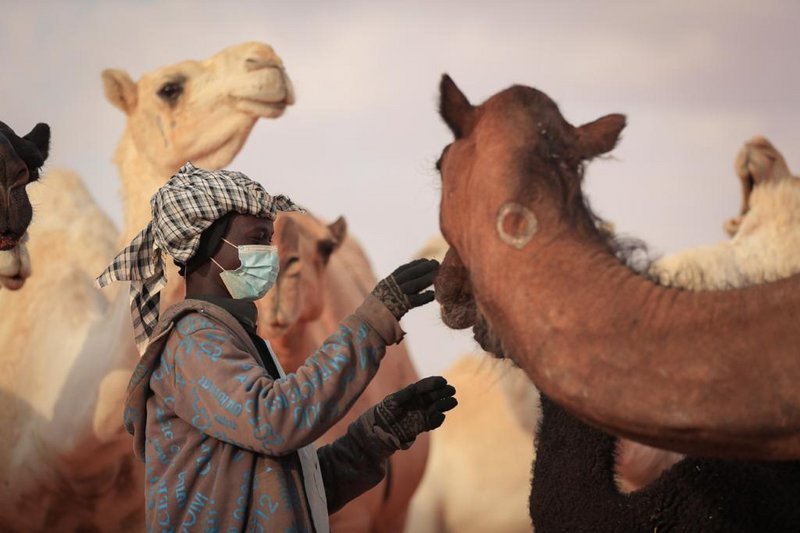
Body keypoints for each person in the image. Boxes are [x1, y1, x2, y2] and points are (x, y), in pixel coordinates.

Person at [96, 162, 456, 532]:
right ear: (204, 243)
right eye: (256, 238)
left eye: (268, 240)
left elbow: (291, 495)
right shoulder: (192, 340)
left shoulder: (243, 344)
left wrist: (375, 436)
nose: (269, 254)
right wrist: (372, 321)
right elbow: (275, 421)